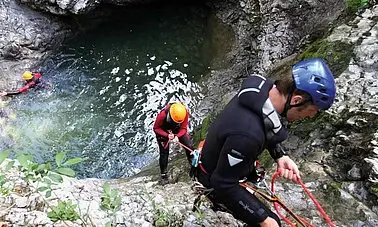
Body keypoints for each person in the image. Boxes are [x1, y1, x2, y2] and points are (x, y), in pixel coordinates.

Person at [195, 58, 336, 227]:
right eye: (312, 110)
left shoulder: (262, 88)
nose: (311, 116)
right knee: (272, 222)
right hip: (214, 180)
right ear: (296, 100)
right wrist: (265, 219)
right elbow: (223, 184)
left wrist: (280, 155)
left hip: (222, 161)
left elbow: (265, 121)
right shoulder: (247, 136)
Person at [153, 102, 194, 185]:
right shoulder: (162, 115)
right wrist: (167, 135)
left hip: (177, 130)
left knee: (189, 146)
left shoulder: (184, 113)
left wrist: (177, 136)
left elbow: (183, 128)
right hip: (163, 131)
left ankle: (192, 162)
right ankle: (164, 175)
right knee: (164, 153)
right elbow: (156, 128)